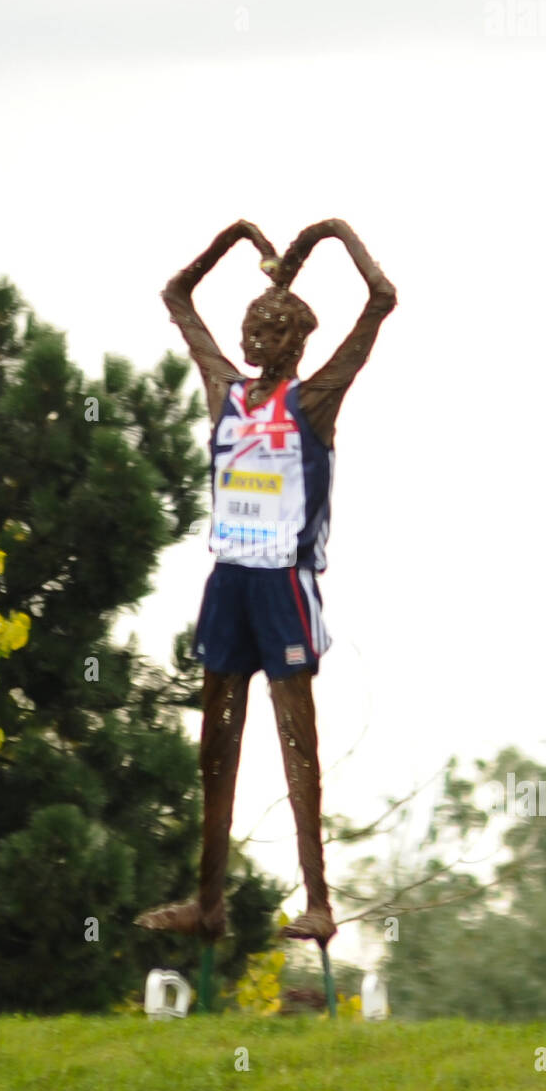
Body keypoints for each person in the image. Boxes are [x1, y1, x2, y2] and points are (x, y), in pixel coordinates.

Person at [135, 219, 397, 946]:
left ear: (295, 343)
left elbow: (381, 299)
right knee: (215, 741)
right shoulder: (225, 391)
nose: (254, 336)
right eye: (252, 325)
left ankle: (319, 899)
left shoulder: (314, 402)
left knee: (295, 741)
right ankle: (207, 903)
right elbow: (177, 294)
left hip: (283, 585)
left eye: (270, 328)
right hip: (228, 583)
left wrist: (328, 235)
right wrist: (238, 237)